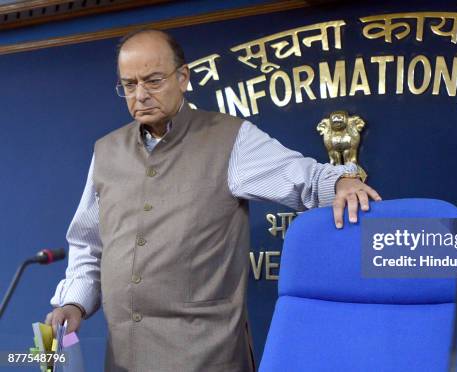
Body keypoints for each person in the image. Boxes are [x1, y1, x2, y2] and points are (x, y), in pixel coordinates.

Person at [44, 29, 381, 372]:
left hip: (208, 357)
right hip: (124, 358)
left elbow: (300, 175)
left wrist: (340, 181)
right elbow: (88, 244)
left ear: (183, 77)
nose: (141, 95)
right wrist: (74, 302)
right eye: (129, 85)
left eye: (153, 81)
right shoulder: (106, 152)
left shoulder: (230, 138)